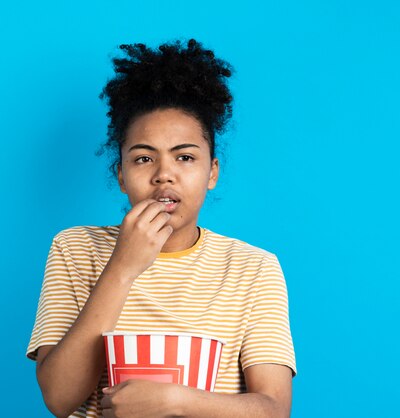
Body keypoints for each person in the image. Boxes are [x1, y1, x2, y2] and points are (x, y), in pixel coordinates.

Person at [26, 39, 296, 418]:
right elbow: (58, 397)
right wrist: (122, 266)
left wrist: (175, 401)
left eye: (185, 157)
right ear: (121, 175)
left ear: (212, 172)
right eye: (143, 158)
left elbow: (273, 408)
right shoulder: (74, 249)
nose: (164, 175)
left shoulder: (254, 269)